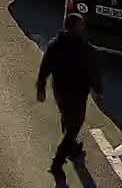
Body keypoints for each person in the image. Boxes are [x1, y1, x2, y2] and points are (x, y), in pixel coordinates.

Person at [36, 13, 104, 178]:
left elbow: (45, 66)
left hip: (60, 90)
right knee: (74, 126)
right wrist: (98, 89)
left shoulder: (55, 44)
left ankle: (72, 148)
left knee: (67, 118)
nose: (83, 28)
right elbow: (93, 71)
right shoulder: (84, 48)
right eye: (81, 26)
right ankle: (57, 162)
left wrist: (41, 86)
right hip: (78, 93)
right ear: (73, 27)